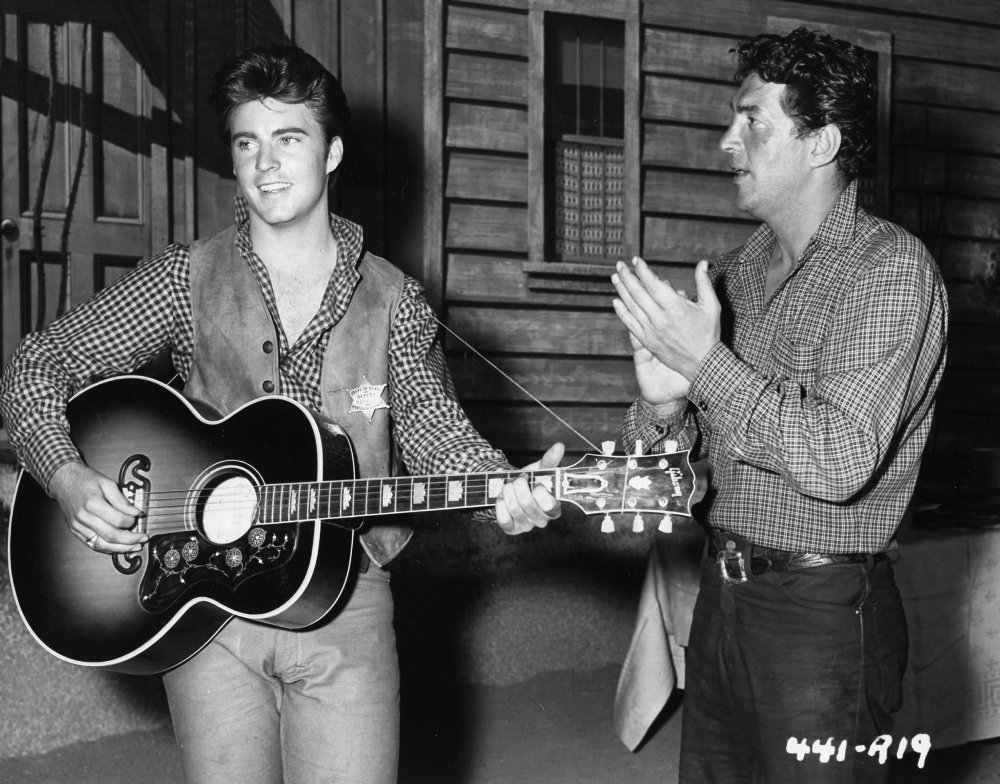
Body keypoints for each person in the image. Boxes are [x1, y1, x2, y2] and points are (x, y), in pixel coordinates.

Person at [0, 44, 561, 784]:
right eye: (246, 143)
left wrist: (504, 490)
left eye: (288, 138)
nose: (266, 163)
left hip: (346, 605)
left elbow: (432, 430)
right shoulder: (184, 278)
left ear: (330, 152)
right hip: (205, 617)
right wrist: (66, 474)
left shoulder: (395, 301)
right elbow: (33, 365)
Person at [611, 27, 947, 783]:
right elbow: (659, 476)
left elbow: (837, 460)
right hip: (721, 602)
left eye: (752, 120)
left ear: (821, 142)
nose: (728, 141)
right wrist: (662, 405)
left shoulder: (891, 271)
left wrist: (706, 362)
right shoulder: (732, 276)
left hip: (823, 616)